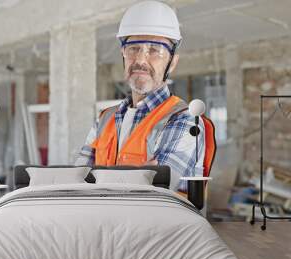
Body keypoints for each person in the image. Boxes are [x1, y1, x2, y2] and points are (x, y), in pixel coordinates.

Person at [75, 1, 215, 194]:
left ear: (172, 63)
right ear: (123, 54)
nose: (140, 60)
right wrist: (136, 176)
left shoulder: (185, 120)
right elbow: (77, 183)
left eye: (154, 50)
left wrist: (100, 179)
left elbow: (152, 193)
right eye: (133, 48)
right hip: (103, 222)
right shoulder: (104, 119)